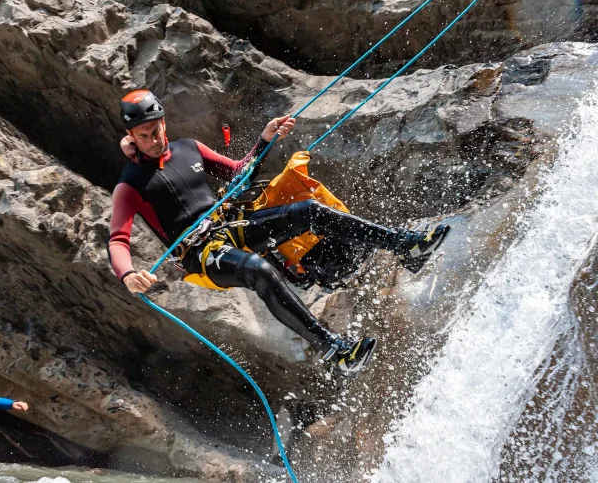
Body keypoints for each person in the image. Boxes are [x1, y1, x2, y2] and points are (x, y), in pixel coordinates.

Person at [108, 90, 450, 377]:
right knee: (260, 272)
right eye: (145, 136)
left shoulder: (188, 148)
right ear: (132, 137)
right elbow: (118, 241)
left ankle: (405, 246)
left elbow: (239, 172)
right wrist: (127, 274)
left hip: (232, 224)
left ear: (164, 122)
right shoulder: (130, 184)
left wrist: (266, 139)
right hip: (201, 254)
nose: (154, 140)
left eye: (157, 130)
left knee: (310, 212)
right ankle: (334, 350)